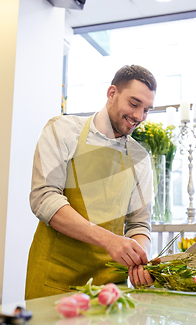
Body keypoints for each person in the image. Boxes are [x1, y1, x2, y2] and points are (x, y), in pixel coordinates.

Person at [25, 65, 156, 300]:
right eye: (134, 104)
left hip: (111, 290)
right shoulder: (62, 130)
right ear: (112, 93)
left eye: (146, 110)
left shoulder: (140, 159)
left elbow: (139, 224)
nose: (139, 116)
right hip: (54, 282)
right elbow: (44, 198)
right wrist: (109, 241)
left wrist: (140, 257)